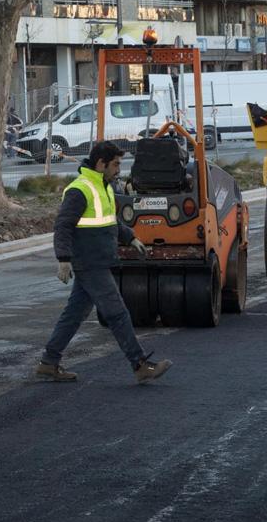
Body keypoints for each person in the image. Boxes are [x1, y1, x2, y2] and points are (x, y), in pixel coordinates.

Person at [35, 141, 172, 384]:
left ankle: (49, 362)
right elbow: (63, 226)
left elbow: (109, 221)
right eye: (116, 164)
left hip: (97, 260)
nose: (119, 169)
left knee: (74, 315)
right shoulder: (80, 189)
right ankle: (140, 364)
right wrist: (63, 259)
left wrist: (130, 237)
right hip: (90, 263)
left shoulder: (104, 186)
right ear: (101, 164)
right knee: (117, 313)